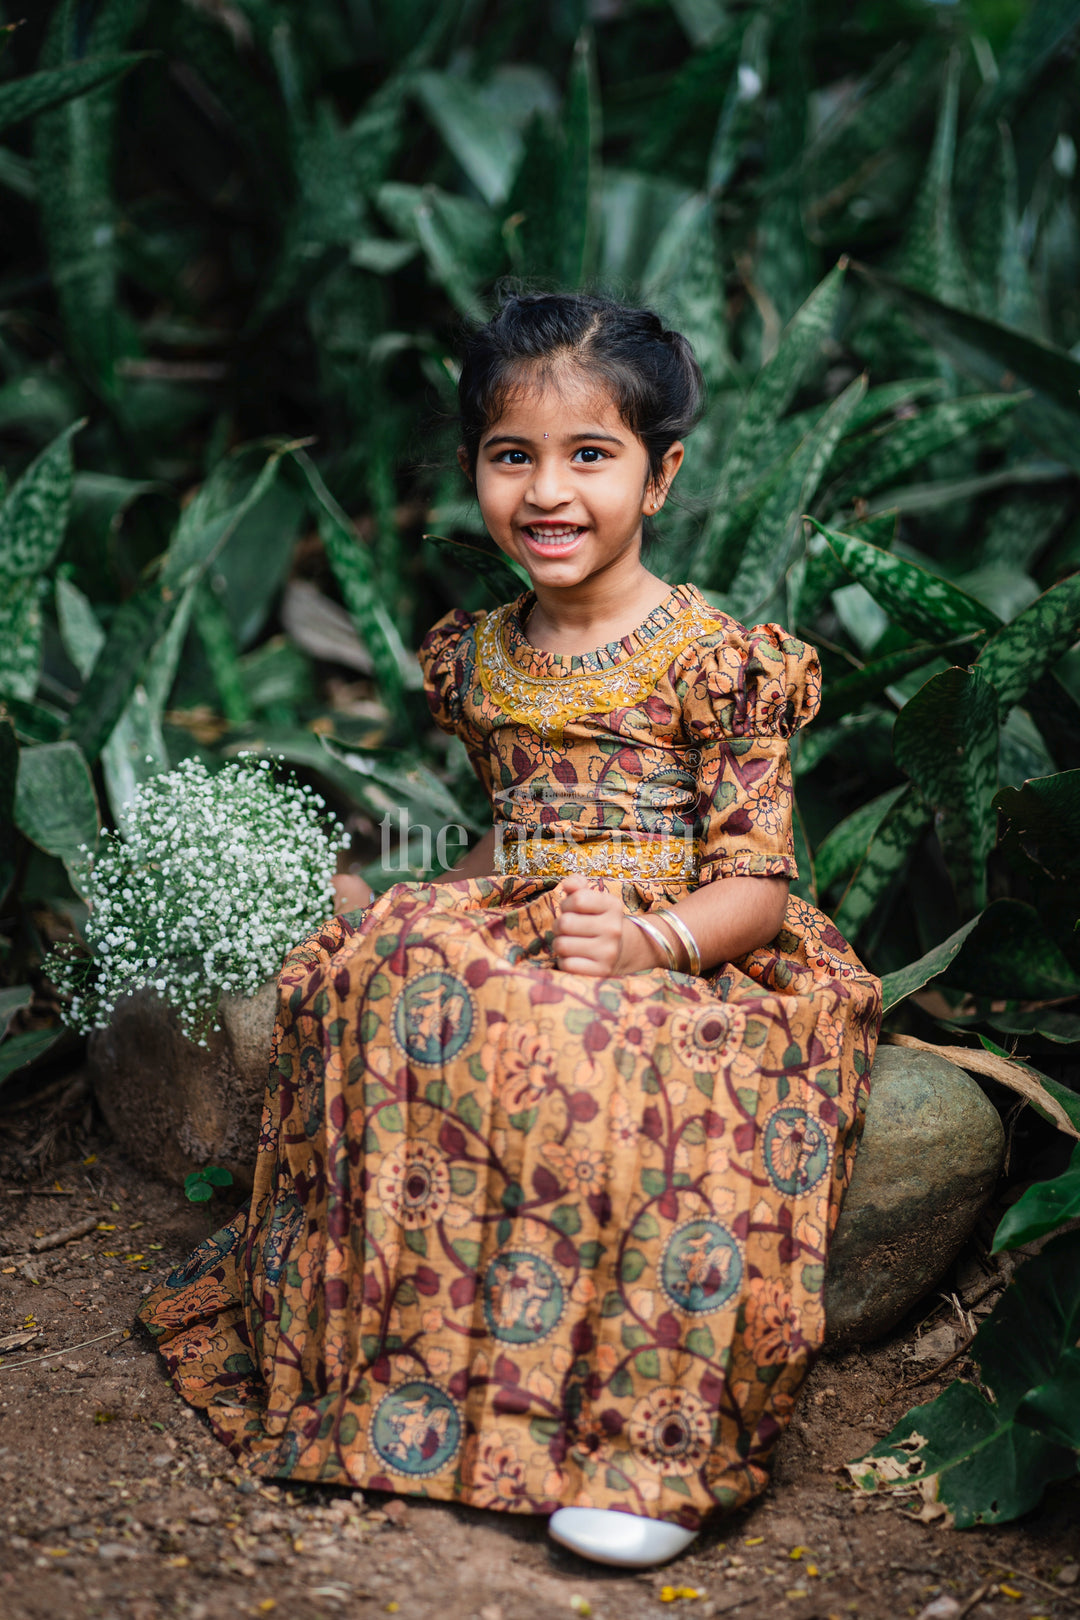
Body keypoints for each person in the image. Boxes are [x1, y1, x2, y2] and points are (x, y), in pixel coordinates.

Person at [138, 291, 881, 1570]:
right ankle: (415, 1394)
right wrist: (409, 907)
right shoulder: (482, 657)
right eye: (510, 455)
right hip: (537, 918)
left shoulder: (717, 661)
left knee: (635, 1070)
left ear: (662, 476)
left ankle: (645, 1443)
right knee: (385, 983)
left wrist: (653, 944)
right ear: (477, 467)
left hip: (693, 941)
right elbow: (514, 838)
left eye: (591, 455)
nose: (548, 490)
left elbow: (758, 878)